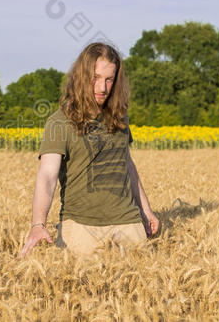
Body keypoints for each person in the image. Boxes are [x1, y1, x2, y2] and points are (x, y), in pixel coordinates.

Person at [20, 42, 159, 257]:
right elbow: (47, 174)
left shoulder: (120, 117)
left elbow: (126, 164)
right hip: (80, 227)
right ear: (81, 76)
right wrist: (38, 223)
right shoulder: (59, 122)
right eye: (95, 78)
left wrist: (146, 210)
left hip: (127, 223)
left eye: (109, 79)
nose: (102, 88)